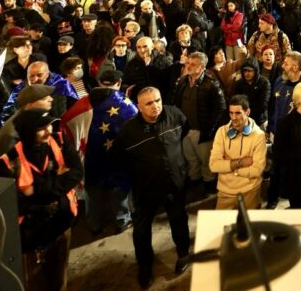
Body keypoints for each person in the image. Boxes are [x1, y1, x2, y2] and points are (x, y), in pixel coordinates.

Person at [111, 87, 191, 288]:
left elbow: (184, 130)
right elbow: (118, 159)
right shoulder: (128, 132)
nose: (155, 106)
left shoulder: (174, 114)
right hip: (146, 188)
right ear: (139, 106)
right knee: (142, 229)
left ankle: (183, 253)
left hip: (175, 182)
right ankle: (145, 264)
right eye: (149, 103)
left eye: (158, 100)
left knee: (179, 219)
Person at [0, 109, 82, 291]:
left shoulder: (59, 141)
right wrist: (58, 182)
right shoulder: (8, 162)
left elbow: (76, 172)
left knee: (60, 272)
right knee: (34, 280)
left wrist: (38, 191)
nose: (48, 130)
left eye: (49, 125)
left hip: (62, 222)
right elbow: (13, 202)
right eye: (41, 128)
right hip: (32, 233)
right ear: (27, 132)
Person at [60, 68, 137, 236]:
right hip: (118, 159)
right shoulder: (125, 104)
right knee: (118, 190)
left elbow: (66, 123)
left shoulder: (83, 103)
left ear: (99, 82)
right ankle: (122, 220)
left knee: (92, 191)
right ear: (119, 83)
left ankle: (94, 224)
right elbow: (137, 126)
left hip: (91, 157)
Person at [172, 50, 226, 195]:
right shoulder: (183, 81)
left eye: (193, 64)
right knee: (191, 159)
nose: (188, 66)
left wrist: (209, 129)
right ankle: (195, 181)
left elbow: (220, 108)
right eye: (188, 63)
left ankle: (209, 184)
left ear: (202, 67)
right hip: (185, 130)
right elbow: (175, 103)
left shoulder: (211, 84)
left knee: (206, 161)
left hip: (202, 131)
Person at [209, 94, 266, 209]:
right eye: (231, 113)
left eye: (238, 113)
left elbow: (257, 170)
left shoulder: (259, 135)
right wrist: (240, 163)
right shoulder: (221, 132)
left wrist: (230, 168)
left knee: (250, 221)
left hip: (250, 191)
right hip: (225, 192)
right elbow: (214, 165)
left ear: (247, 112)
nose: (233, 117)